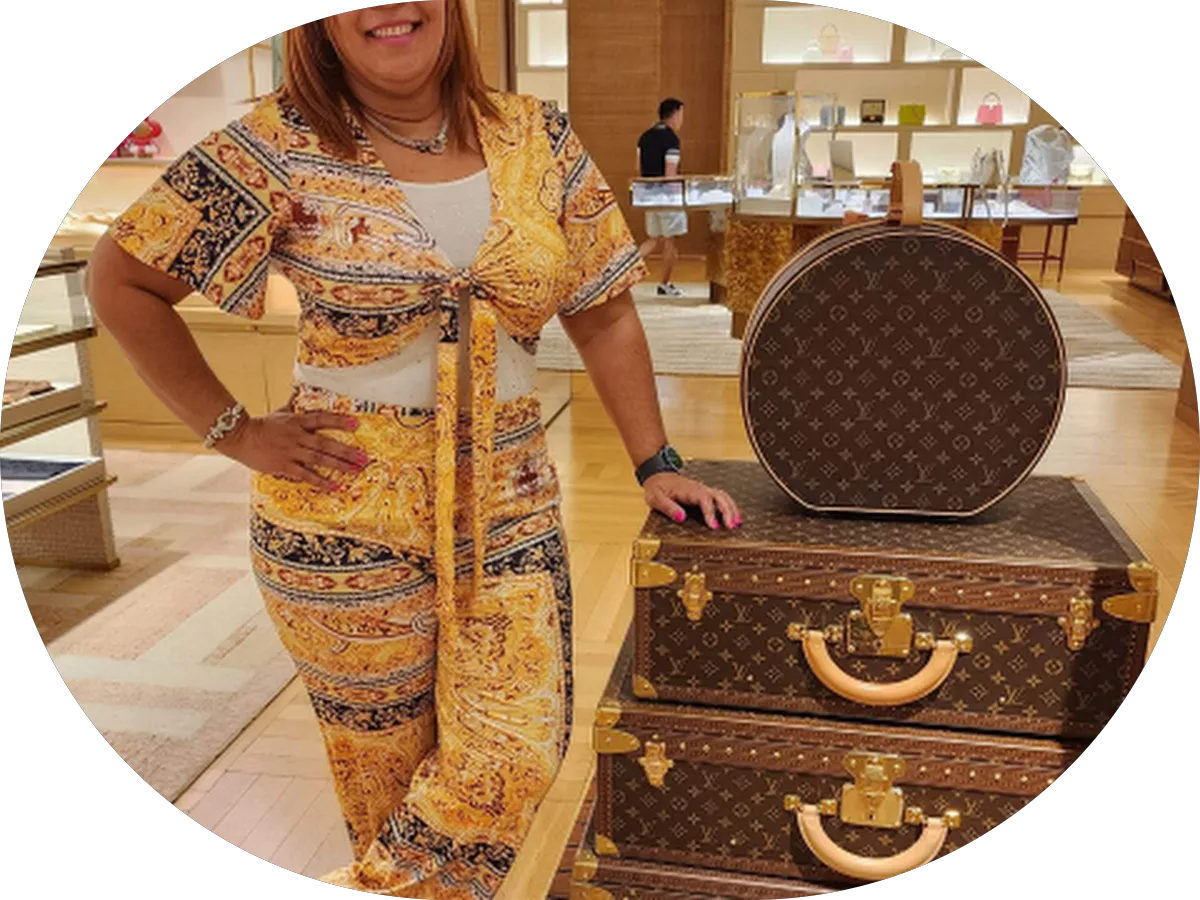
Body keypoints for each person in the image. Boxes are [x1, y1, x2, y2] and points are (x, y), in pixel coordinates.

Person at [83, 3, 742, 898]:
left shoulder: (536, 135)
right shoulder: (276, 143)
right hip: (339, 510)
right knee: (382, 787)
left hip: (510, 497)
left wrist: (655, 460)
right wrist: (235, 432)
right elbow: (121, 279)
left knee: (512, 756)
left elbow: (605, 309)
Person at [637, 98, 686, 297]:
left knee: (653, 239)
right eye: (681, 115)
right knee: (670, 242)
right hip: (667, 197)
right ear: (674, 114)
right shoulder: (671, 140)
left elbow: (638, 167)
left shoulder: (644, 137)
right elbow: (670, 172)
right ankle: (665, 283)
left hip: (648, 195)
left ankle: (622, 272)